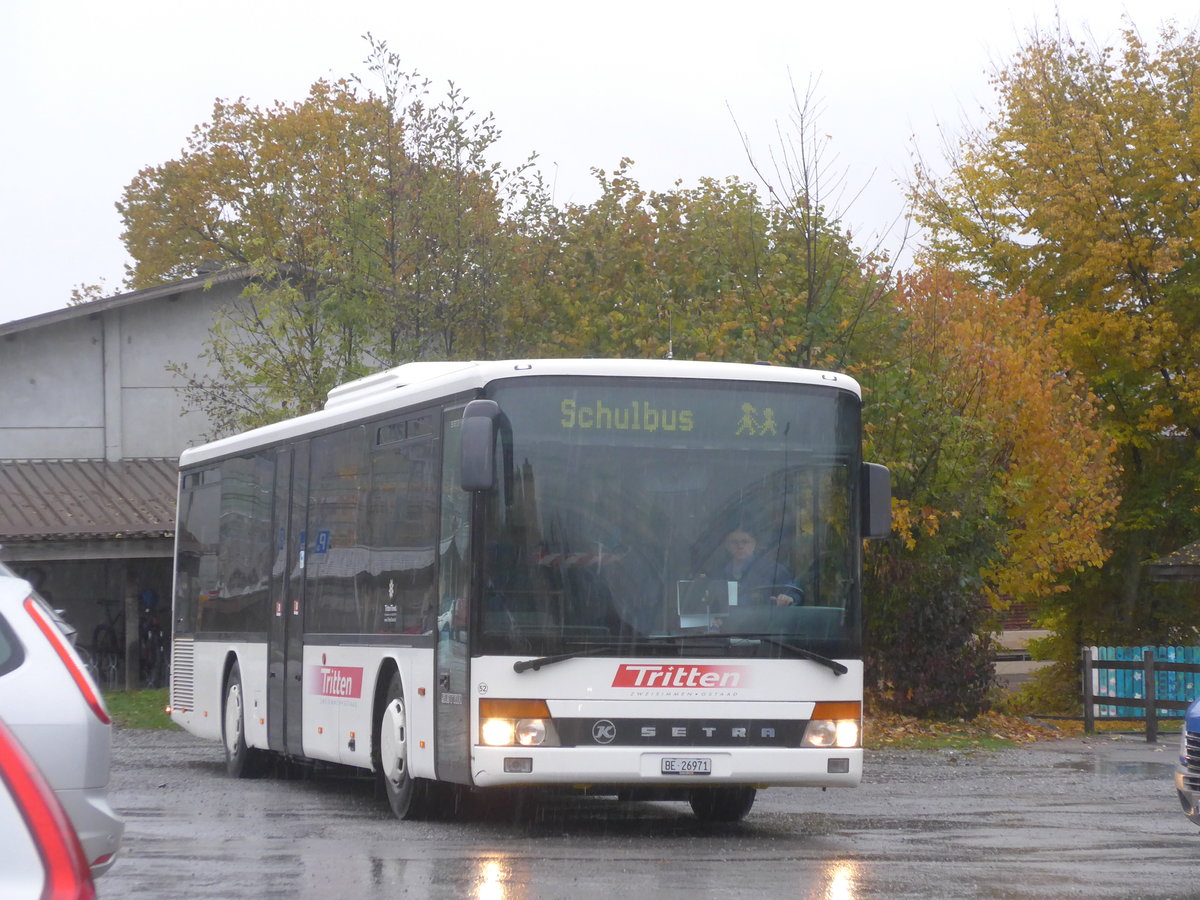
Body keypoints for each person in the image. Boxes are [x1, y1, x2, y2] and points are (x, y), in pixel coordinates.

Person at [715, 529, 801, 607]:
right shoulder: (719, 573)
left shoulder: (772, 569)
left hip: (765, 621)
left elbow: (795, 593)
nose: (740, 546)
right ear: (727, 545)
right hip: (730, 623)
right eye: (734, 542)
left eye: (745, 542)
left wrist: (789, 598)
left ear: (754, 544)